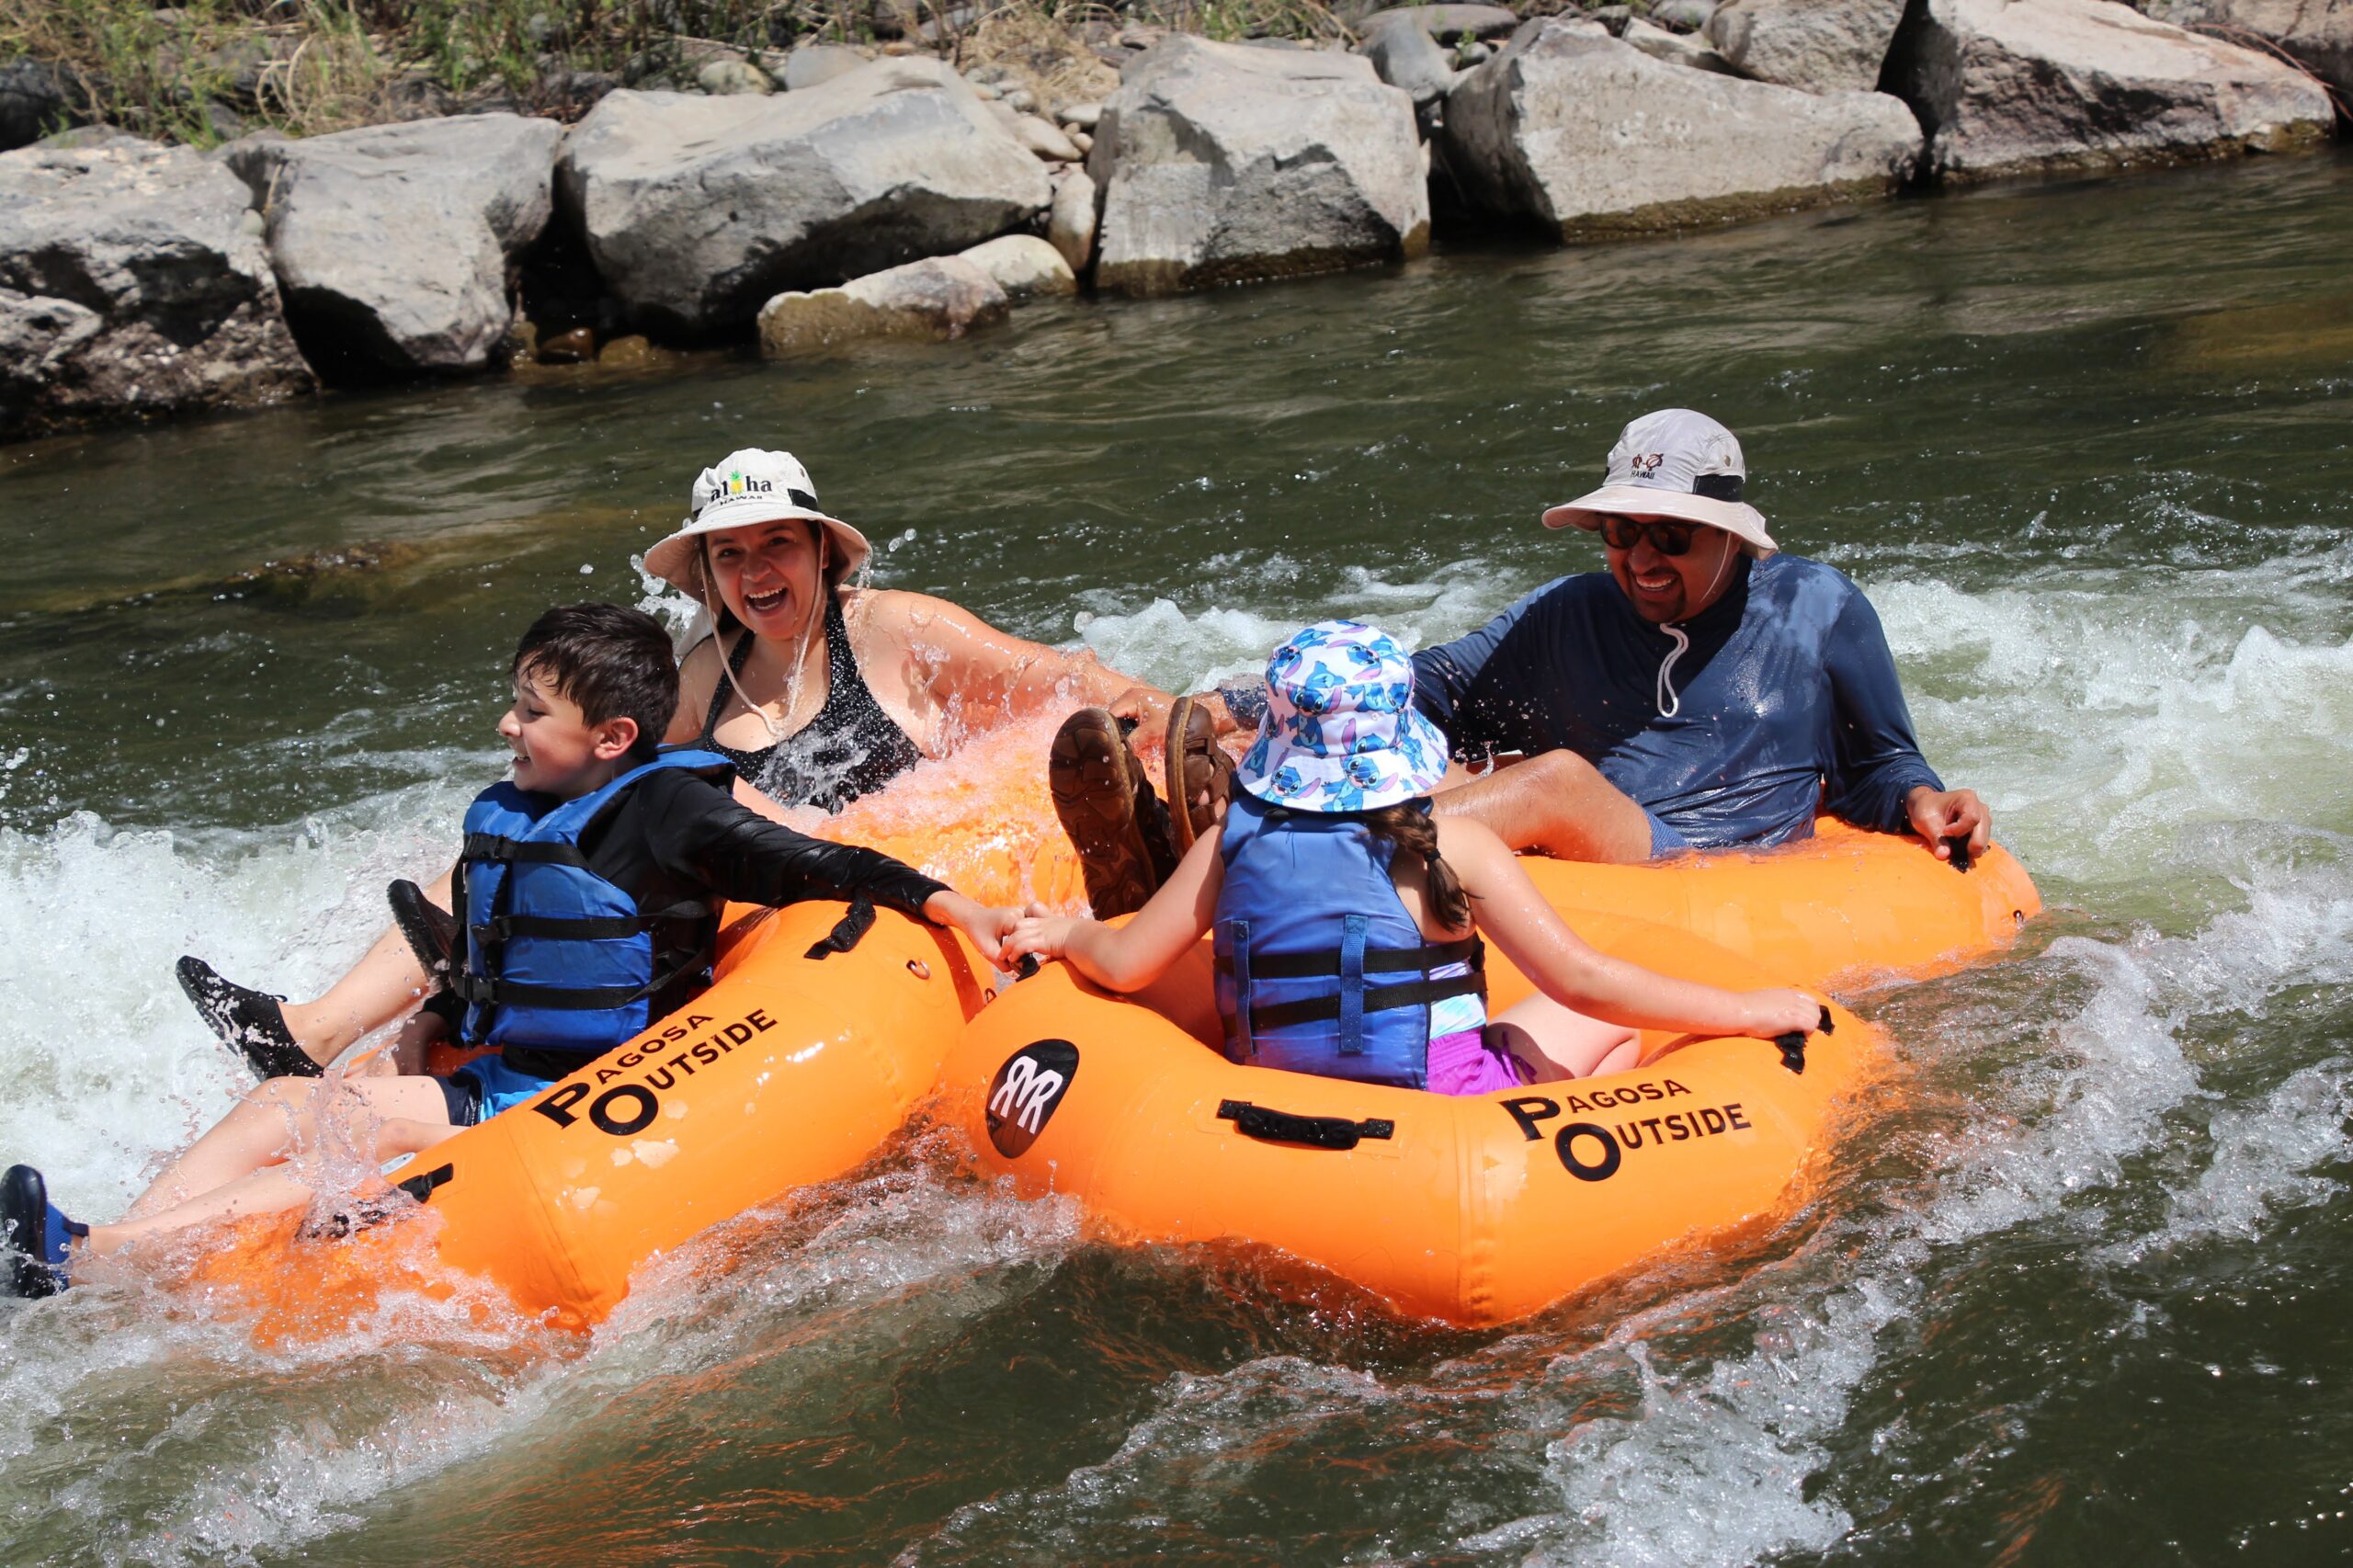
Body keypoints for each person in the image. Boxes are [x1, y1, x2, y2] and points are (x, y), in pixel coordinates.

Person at [0, 605, 1018, 1299]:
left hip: (592, 1098)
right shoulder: (526, 806)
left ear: (613, 735)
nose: (508, 724)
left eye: (533, 711)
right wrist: (435, 1022)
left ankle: (103, 1258)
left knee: (333, 1170)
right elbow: (483, 947)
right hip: (501, 1070)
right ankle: (89, 1255)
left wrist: (945, 901)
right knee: (287, 1100)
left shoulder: (670, 810)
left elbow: (811, 864)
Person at [176, 447, 1148, 1082]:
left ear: (820, 549)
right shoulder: (697, 682)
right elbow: (620, 794)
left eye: (777, 543)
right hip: (756, 898)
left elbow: (1064, 681)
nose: (757, 570)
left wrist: (1183, 713)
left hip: (870, 889)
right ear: (708, 574)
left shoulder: (896, 630)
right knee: (525, 846)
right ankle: (315, 1038)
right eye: (730, 554)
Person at [1061, 409, 1992, 914]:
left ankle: (1260, 853)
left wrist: (1920, 799)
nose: (1641, 559)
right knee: (1451, 755)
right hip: (1582, 862)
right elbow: (1412, 686)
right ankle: (1206, 822)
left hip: (1702, 859)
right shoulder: (1572, 612)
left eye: (1671, 535)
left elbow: (1879, 761)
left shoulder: (1819, 607)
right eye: (1622, 532)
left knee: (1549, 779)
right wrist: (1224, 706)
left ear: (1731, 538)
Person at [998, 621, 1824, 1097]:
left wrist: (1068, 935)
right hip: (1439, 1109)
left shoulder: (1228, 843)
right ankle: (1562, 1129)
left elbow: (1128, 962)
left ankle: (1144, 876)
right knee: (1609, 1022)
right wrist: (1749, 1011)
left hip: (1275, 1095)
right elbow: (1581, 981)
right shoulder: (1453, 845)